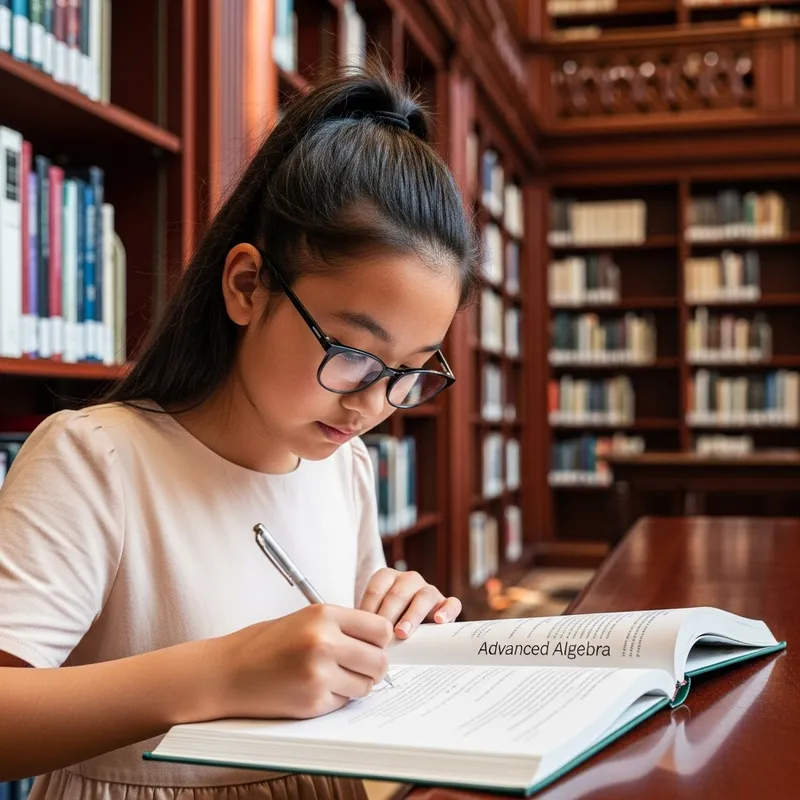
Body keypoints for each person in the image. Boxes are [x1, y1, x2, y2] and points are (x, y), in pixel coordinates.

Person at [0, 64, 482, 800]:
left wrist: (399, 625)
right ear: (248, 286)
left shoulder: (344, 469)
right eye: (352, 354)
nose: (372, 406)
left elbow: (337, 683)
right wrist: (223, 672)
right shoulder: (96, 458)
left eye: (411, 372)